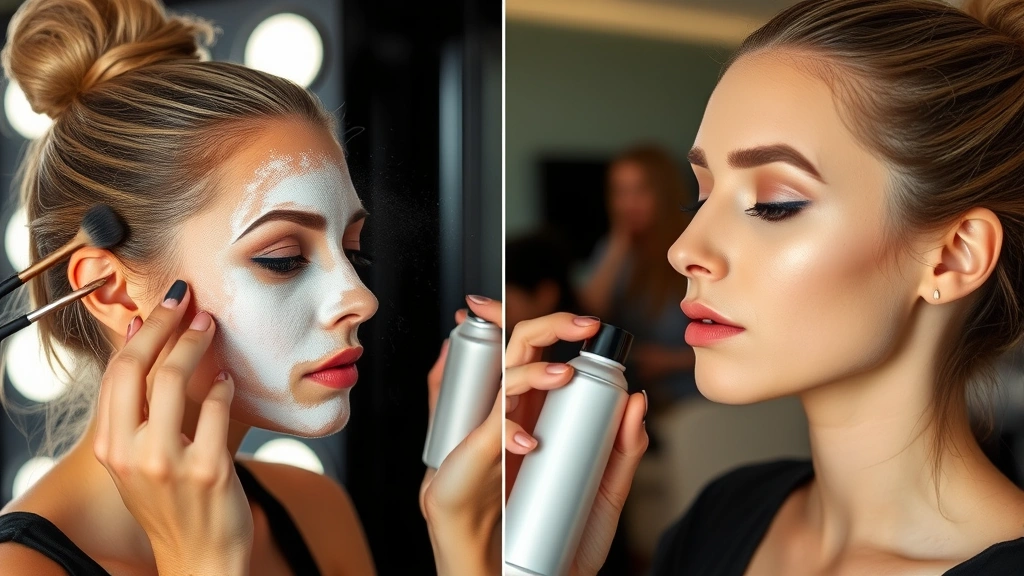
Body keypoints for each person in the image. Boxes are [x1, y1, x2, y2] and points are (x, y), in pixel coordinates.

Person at [506, 0, 1024, 573]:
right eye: (699, 196)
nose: (684, 249)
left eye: (774, 205)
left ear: (953, 258)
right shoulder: (719, 517)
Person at [0, 0, 501, 574]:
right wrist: (203, 562)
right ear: (110, 291)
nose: (361, 299)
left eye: (352, 249)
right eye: (282, 258)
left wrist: (465, 531)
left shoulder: (314, 509)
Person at [577, 145, 696, 407]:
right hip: (638, 394)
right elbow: (588, 314)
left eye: (640, 190)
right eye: (620, 192)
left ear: (664, 194)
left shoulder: (692, 248)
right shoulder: (615, 250)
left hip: (694, 398)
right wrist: (618, 243)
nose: (628, 203)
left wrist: (670, 361)